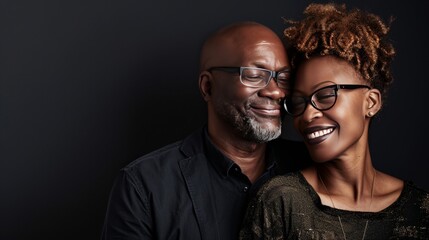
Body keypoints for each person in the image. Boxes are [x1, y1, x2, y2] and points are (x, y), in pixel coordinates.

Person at [101, 21, 311, 239]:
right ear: (207, 86)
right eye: (255, 75)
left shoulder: (310, 167)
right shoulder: (143, 185)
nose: (276, 92)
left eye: (284, 78)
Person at [240, 3, 429, 240]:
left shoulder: (420, 210)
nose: (307, 116)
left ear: (370, 102)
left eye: (326, 95)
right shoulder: (280, 201)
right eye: (299, 103)